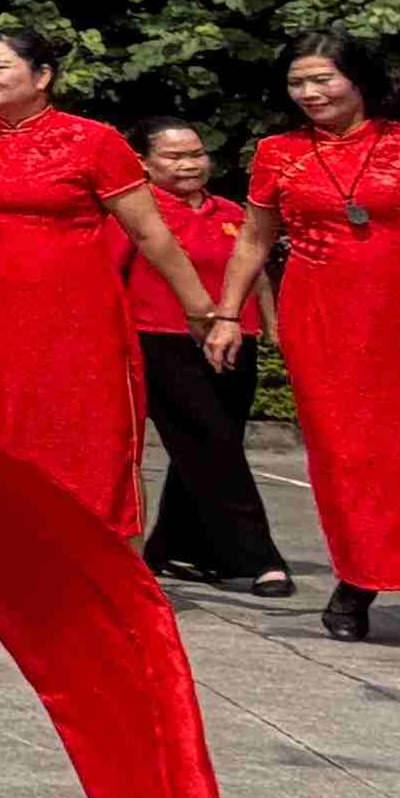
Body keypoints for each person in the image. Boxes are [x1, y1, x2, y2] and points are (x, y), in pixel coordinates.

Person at [210, 35, 400, 650]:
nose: (310, 94)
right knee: (349, 458)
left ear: (359, 80)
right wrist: (225, 314)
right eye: (298, 83)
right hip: (324, 322)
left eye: (323, 80)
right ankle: (357, 583)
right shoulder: (279, 153)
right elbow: (253, 240)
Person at [0, 29, 220, 539]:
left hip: (82, 318)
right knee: (13, 438)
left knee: (98, 439)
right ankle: (41, 567)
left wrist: (202, 310)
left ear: (43, 76)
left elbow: (149, 231)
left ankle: (117, 575)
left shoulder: (93, 140)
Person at [129, 116, 290, 601]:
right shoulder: (135, 211)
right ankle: (256, 555)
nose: (189, 165)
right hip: (161, 338)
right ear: (143, 163)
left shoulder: (229, 210)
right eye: (174, 157)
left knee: (210, 446)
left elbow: (254, 271)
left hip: (236, 336)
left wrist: (273, 325)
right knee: (210, 445)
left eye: (196, 154)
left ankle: (172, 547)